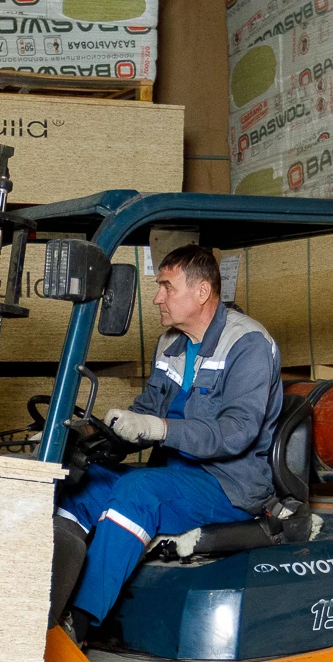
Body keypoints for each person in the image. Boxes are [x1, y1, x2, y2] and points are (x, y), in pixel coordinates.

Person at [57, 243, 284, 631]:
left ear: (202, 291)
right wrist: (100, 437)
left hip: (228, 484)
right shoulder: (171, 343)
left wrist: (158, 428)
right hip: (175, 475)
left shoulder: (247, 344)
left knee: (138, 492)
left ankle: (79, 623)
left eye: (167, 287)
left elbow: (237, 432)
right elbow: (147, 409)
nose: (157, 298)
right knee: (82, 484)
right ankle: (48, 599)